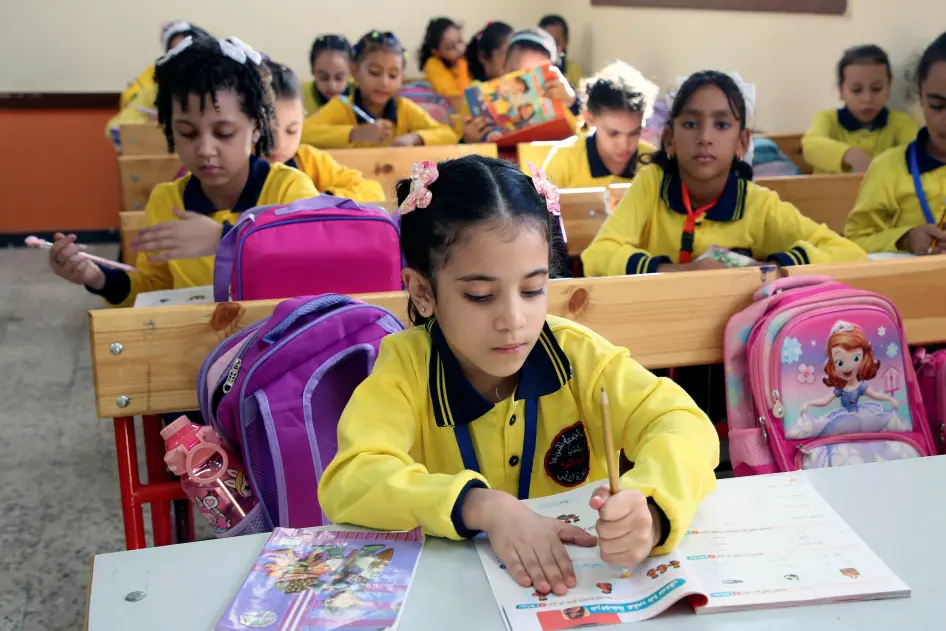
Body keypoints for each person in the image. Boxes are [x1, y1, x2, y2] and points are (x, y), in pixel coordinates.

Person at [317, 154, 719, 596]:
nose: (514, 320)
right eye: (480, 295)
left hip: (585, 588)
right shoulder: (406, 368)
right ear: (422, 291)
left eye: (532, 290)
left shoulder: (577, 355)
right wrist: (481, 505)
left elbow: (682, 423)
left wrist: (653, 506)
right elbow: (351, 478)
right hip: (456, 599)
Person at [50, 36, 317, 308]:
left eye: (224, 133)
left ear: (256, 128)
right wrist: (99, 278)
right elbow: (155, 290)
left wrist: (223, 239)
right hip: (194, 332)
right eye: (187, 133)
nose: (205, 150)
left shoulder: (289, 189)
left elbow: (316, 260)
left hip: (277, 331)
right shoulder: (167, 201)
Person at [582, 70, 866, 276]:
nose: (705, 137)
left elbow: (850, 253)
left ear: (742, 142)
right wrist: (680, 272)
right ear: (669, 139)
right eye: (690, 124)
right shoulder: (652, 184)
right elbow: (597, 255)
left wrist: (770, 269)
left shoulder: (757, 204)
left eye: (721, 125)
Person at [844, 32, 946, 255]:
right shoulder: (887, 167)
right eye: (937, 106)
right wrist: (905, 239)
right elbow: (855, 240)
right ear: (920, 96)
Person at [302, 30, 459, 148]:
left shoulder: (404, 109)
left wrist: (415, 138)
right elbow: (303, 133)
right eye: (374, 73)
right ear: (354, 71)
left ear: (401, 78)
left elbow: (449, 135)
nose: (384, 83)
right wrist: (355, 133)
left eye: (393, 75)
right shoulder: (342, 106)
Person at [266, 60, 384, 202]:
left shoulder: (307, 160)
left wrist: (327, 200)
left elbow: (373, 191)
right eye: (267, 132)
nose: (279, 144)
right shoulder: (242, 171)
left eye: (292, 131)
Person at [803, 45, 918, 174]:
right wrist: (850, 154)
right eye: (856, 90)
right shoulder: (827, 118)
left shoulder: (901, 122)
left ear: (888, 87)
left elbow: (917, 153)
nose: (867, 99)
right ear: (841, 91)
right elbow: (810, 145)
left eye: (876, 89)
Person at [543, 61, 659, 189]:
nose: (624, 145)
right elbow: (536, 201)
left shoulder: (652, 162)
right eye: (613, 133)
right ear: (590, 118)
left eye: (635, 132)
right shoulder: (565, 158)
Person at [462, 28, 579, 144]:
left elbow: (583, 140)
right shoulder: (479, 101)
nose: (521, 87)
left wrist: (573, 103)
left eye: (535, 77)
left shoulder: (565, 100)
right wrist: (468, 141)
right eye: (516, 73)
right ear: (503, 67)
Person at [107, 20, 211, 148]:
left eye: (190, 51)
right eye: (176, 53)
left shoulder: (221, 92)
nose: (184, 59)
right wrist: (148, 125)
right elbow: (113, 129)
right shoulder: (155, 92)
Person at [420, 17, 472, 98]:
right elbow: (454, 98)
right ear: (436, 52)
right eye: (451, 47)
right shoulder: (433, 65)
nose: (460, 49)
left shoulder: (467, 59)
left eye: (460, 41)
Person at [303, 35, 354, 115]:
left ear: (351, 72)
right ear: (313, 70)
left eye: (339, 78)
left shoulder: (363, 95)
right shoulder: (298, 96)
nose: (332, 86)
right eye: (323, 77)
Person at [538, 14, 583, 88]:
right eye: (546, 41)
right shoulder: (528, 68)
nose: (550, 47)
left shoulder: (573, 71)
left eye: (556, 42)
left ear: (565, 42)